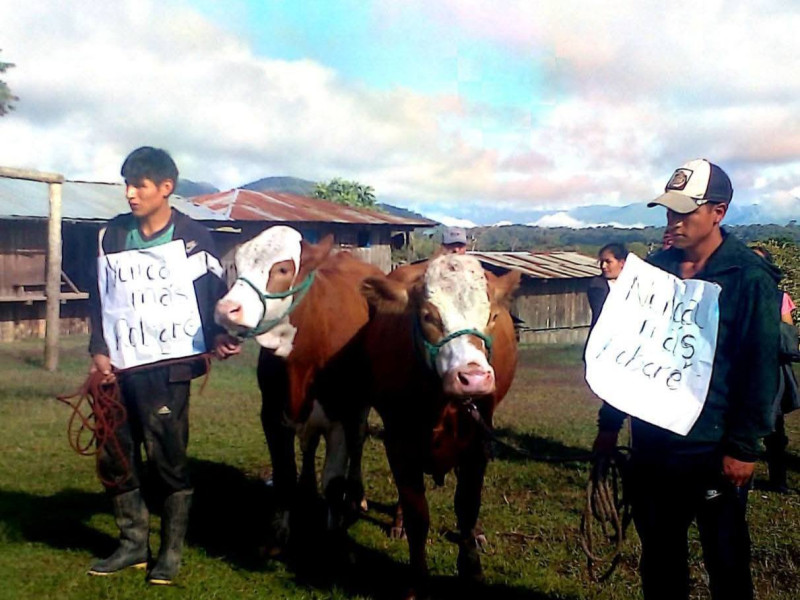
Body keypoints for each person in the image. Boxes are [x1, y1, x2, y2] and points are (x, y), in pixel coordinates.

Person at [593, 158, 780, 600]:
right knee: (658, 558)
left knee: (727, 560)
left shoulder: (749, 279)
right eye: (669, 212)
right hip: (653, 448)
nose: (672, 222)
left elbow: (760, 366)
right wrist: (608, 424)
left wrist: (743, 447)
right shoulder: (651, 274)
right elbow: (628, 354)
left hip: (713, 450)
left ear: (718, 212)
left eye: (684, 212)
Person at [86, 147, 240, 584]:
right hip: (116, 368)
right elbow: (100, 299)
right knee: (116, 453)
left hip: (167, 369)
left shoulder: (193, 238)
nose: (130, 194)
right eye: (127, 185)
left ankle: (170, 553)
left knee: (167, 457)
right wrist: (99, 349)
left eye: (140, 186)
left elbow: (211, 296)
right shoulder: (111, 236)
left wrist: (220, 339)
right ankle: (133, 544)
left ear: (166, 188)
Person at [752, 246, 798, 493]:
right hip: (745, 367)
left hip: (772, 370)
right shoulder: (739, 295)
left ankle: (777, 479)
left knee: (775, 427)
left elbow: (789, 338)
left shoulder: (780, 298)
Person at [586, 242, 627, 328]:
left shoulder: (635, 283)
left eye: (608, 262)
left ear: (622, 263)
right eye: (602, 262)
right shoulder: (597, 285)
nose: (603, 266)